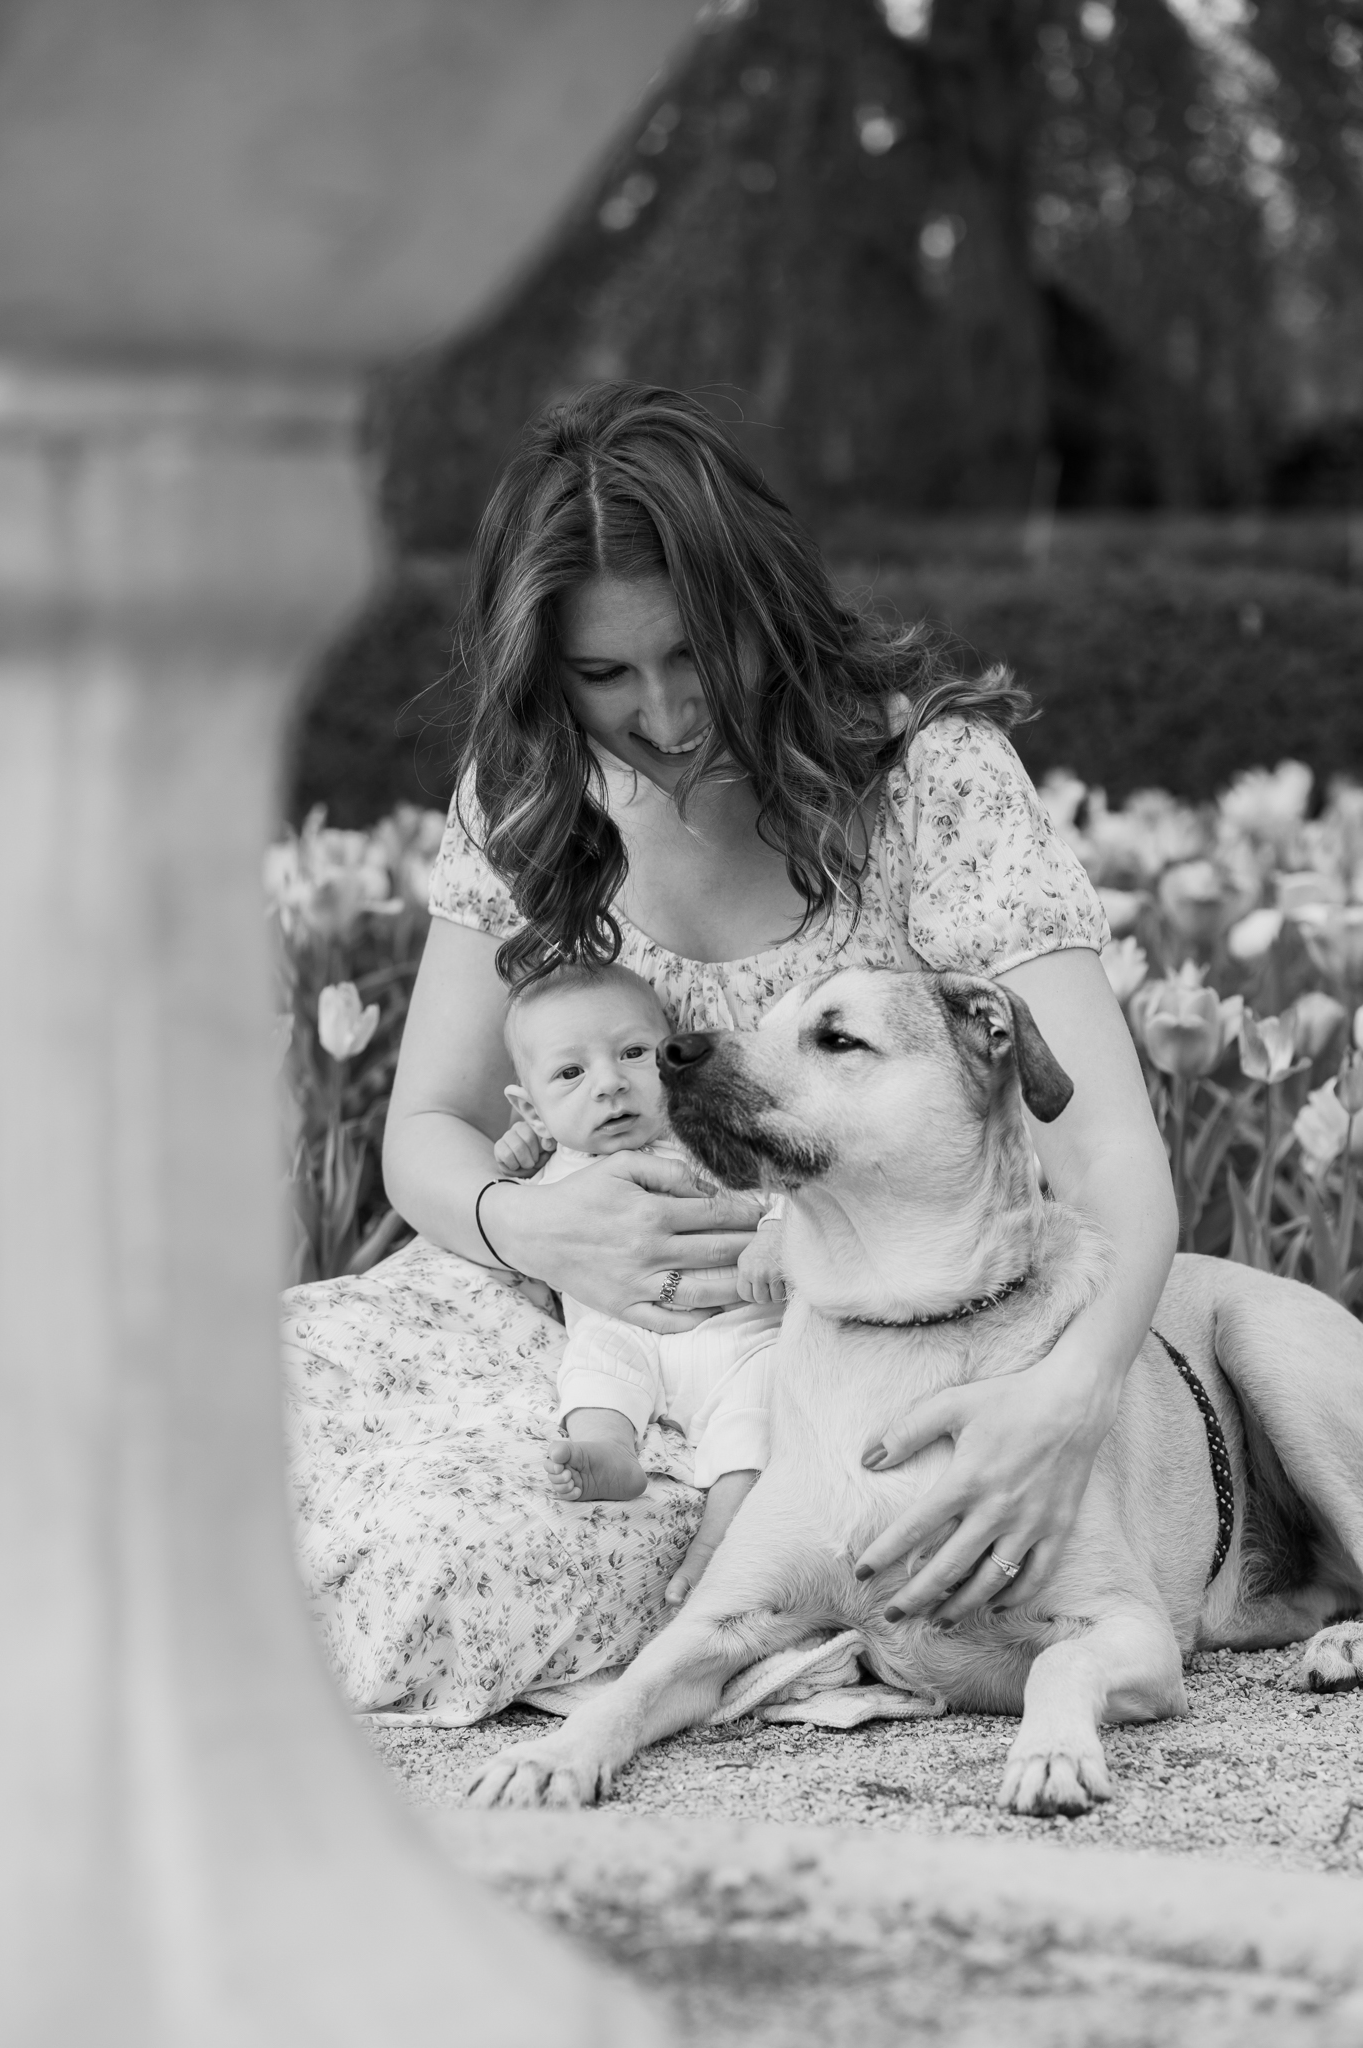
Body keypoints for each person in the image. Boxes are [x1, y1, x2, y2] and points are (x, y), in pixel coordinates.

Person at [280, 382, 1178, 1725]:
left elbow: (1103, 1147)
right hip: (542, 1316)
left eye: (695, 654)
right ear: (544, 671)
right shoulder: (527, 799)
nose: (663, 711)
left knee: (440, 1569)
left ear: (761, 607)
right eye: (603, 676)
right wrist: (529, 1226)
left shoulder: (933, 784)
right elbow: (428, 1128)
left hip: (792, 1371)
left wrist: (1071, 1396)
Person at [488, 960, 784, 1505]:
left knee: (764, 1400)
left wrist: (774, 1235)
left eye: (632, 1054)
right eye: (570, 1073)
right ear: (532, 1110)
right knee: (592, 1366)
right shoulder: (550, 1179)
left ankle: (726, 1522)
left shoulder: (710, 1138)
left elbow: (785, 1192)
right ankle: (609, 1453)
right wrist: (519, 1163)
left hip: (738, 1334)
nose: (610, 1084)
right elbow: (528, 1254)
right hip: (621, 1331)